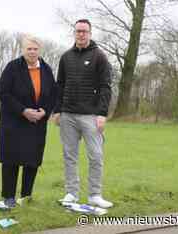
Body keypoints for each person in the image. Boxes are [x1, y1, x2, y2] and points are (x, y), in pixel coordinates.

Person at [53, 19, 113, 208]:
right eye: (78, 31)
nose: (81, 34)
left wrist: (102, 114)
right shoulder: (65, 57)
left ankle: (95, 195)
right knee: (69, 155)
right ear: (74, 33)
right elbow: (60, 85)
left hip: (91, 116)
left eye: (84, 31)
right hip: (68, 115)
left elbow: (106, 87)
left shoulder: (100, 56)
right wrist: (57, 110)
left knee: (95, 155)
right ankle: (71, 193)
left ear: (90, 33)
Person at [0, 35, 56, 208]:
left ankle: (26, 195)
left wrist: (45, 111)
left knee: (32, 160)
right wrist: (23, 111)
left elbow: (53, 94)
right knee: (11, 159)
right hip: (14, 122)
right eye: (28, 48)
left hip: (37, 123)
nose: (32, 52)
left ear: (40, 50)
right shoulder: (13, 67)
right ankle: (8, 197)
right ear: (23, 50)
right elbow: (3, 93)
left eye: (35, 49)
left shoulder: (46, 69)